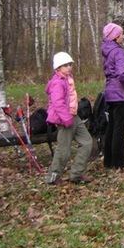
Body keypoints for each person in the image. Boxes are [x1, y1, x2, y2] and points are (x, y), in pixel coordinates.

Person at [45, 52, 94, 185]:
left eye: (69, 65)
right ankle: (53, 177)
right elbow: (58, 103)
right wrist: (66, 118)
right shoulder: (57, 83)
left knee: (87, 142)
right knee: (64, 150)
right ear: (58, 68)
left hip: (74, 116)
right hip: (64, 119)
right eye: (65, 65)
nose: (68, 67)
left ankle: (77, 174)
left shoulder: (68, 79)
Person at [100, 23, 124, 169]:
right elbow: (122, 73)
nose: (123, 37)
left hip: (110, 92)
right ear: (116, 36)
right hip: (120, 94)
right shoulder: (119, 52)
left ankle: (108, 161)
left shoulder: (107, 50)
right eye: (121, 34)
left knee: (112, 127)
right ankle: (119, 163)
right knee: (119, 129)